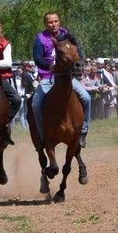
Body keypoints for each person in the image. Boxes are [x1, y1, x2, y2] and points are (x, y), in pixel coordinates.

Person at [31, 12, 91, 146]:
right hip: (47, 78)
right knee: (35, 105)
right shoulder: (40, 39)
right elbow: (37, 58)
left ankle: (83, 131)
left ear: (59, 21)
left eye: (56, 21)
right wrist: (49, 66)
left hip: (67, 77)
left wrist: (79, 63)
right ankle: (43, 138)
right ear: (45, 24)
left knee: (87, 98)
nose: (54, 25)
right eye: (50, 22)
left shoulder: (67, 35)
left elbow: (77, 51)